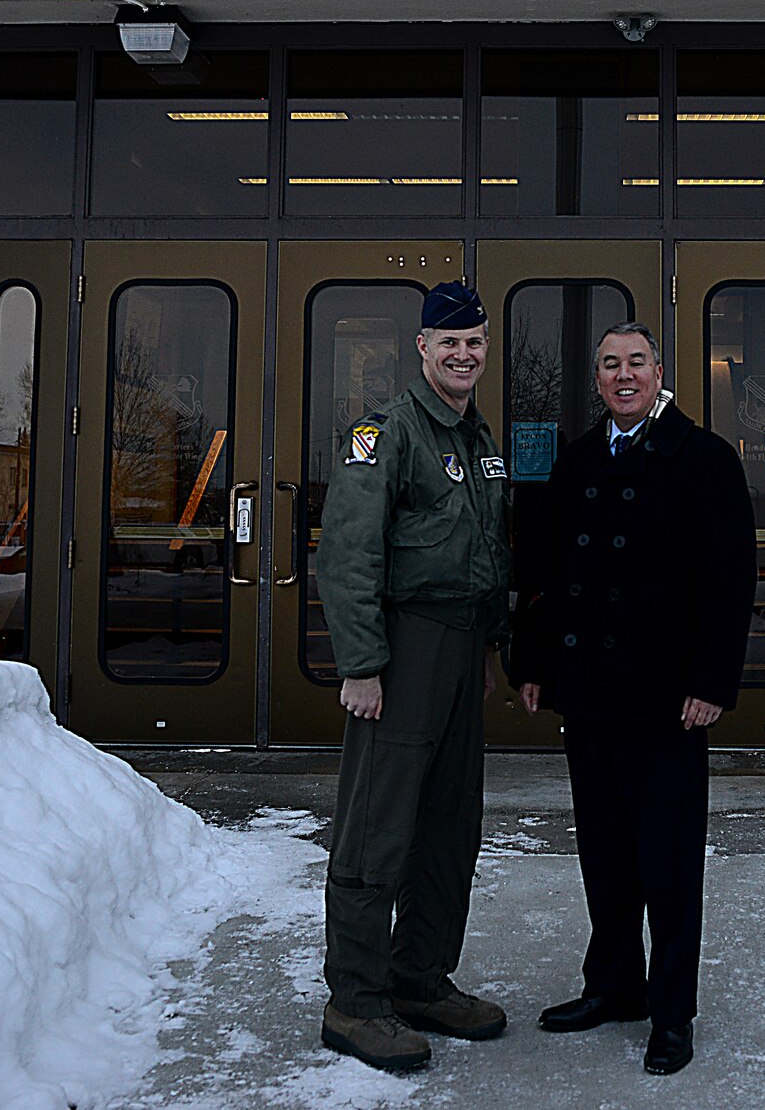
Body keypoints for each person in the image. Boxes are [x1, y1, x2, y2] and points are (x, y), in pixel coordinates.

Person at [512, 321, 756, 1077]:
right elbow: (542, 571)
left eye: (637, 363)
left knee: (669, 863)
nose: (624, 376)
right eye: (610, 365)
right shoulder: (578, 460)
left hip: (665, 700)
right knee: (605, 854)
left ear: (660, 372)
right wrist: (532, 661)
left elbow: (730, 583)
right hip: (588, 694)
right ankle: (613, 986)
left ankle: (671, 1011)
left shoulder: (705, 459)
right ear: (599, 378)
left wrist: (711, 684)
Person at [316, 280, 513, 1072]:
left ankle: (419, 977)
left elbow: (488, 551)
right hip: (403, 652)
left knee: (449, 826)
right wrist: (362, 665)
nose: (463, 354)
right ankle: (355, 1002)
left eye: (476, 342)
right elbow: (348, 554)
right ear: (422, 349)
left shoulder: (477, 438)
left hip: (463, 653)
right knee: (378, 827)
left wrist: (492, 648)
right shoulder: (385, 432)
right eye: (449, 342)